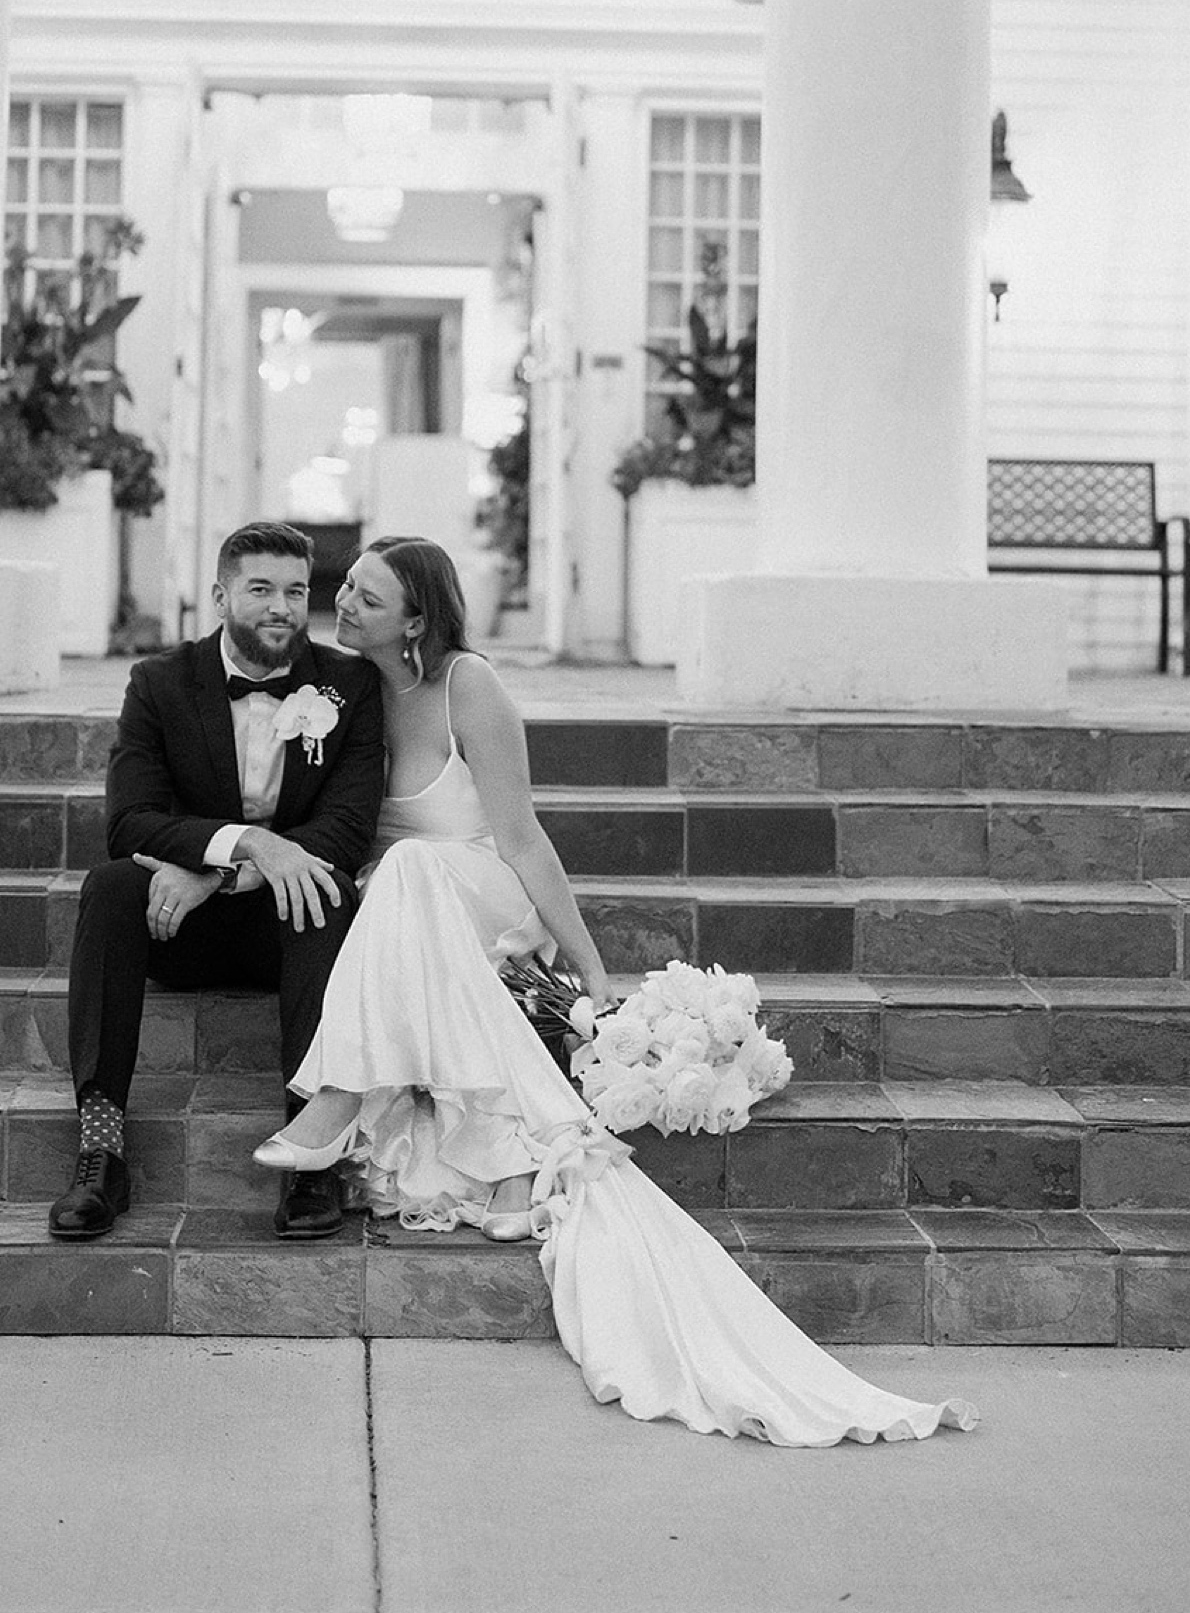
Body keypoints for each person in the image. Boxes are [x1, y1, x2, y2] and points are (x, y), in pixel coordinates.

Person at [255, 535, 979, 1448]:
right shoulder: (347, 692)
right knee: (397, 875)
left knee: (407, 870)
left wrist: (586, 963)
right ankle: (503, 1157)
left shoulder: (467, 685)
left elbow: (521, 837)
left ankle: (342, 1094)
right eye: (346, 588)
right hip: (411, 911)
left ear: (417, 617)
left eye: (365, 594)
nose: (342, 602)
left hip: (485, 893)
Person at [49, 521, 385, 1245]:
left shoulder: (349, 685)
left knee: (329, 890)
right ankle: (101, 1147)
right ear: (220, 594)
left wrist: (224, 875)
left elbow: (347, 830)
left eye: (296, 590)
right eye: (261, 588)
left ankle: (311, 1150)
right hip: (180, 929)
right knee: (110, 886)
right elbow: (130, 821)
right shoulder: (161, 681)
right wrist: (244, 846)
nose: (282, 607)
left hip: (286, 927)